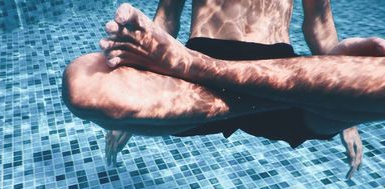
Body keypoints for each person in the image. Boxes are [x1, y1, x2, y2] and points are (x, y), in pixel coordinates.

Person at [62, 1, 385, 179]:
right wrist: (342, 100)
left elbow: (320, 27)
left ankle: (200, 68)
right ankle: (211, 75)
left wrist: (341, 80)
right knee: (84, 82)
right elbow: (167, 17)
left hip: (275, 70)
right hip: (222, 79)